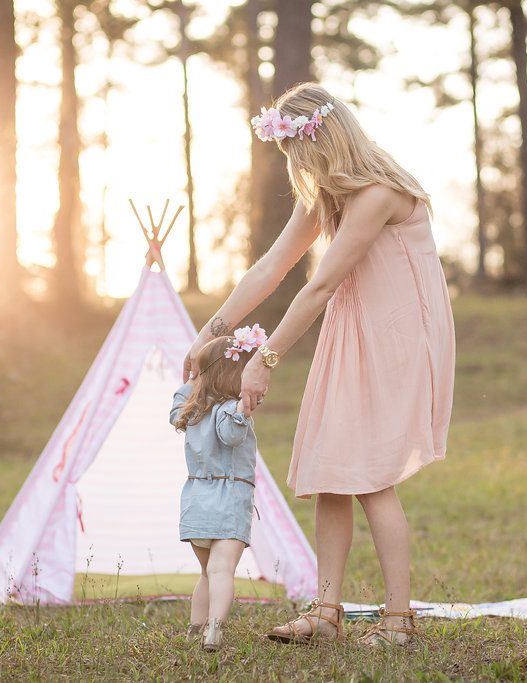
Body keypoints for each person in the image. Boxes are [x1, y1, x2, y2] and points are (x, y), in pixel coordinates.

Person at [182, 82, 456, 647]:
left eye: (299, 157)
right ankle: (325, 612)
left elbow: (320, 285)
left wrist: (265, 360)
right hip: (352, 334)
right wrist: (213, 330)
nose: (298, 171)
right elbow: (271, 269)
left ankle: (399, 621)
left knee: (372, 476)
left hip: (397, 340)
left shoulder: (379, 192)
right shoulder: (329, 197)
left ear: (323, 141)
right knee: (333, 470)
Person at [171, 326, 266, 652]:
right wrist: (243, 408)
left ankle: (194, 629)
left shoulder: (191, 411)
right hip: (229, 497)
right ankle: (214, 629)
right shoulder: (231, 411)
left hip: (196, 498)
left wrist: (192, 379)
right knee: (222, 568)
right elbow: (230, 436)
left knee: (206, 572)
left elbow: (176, 408)